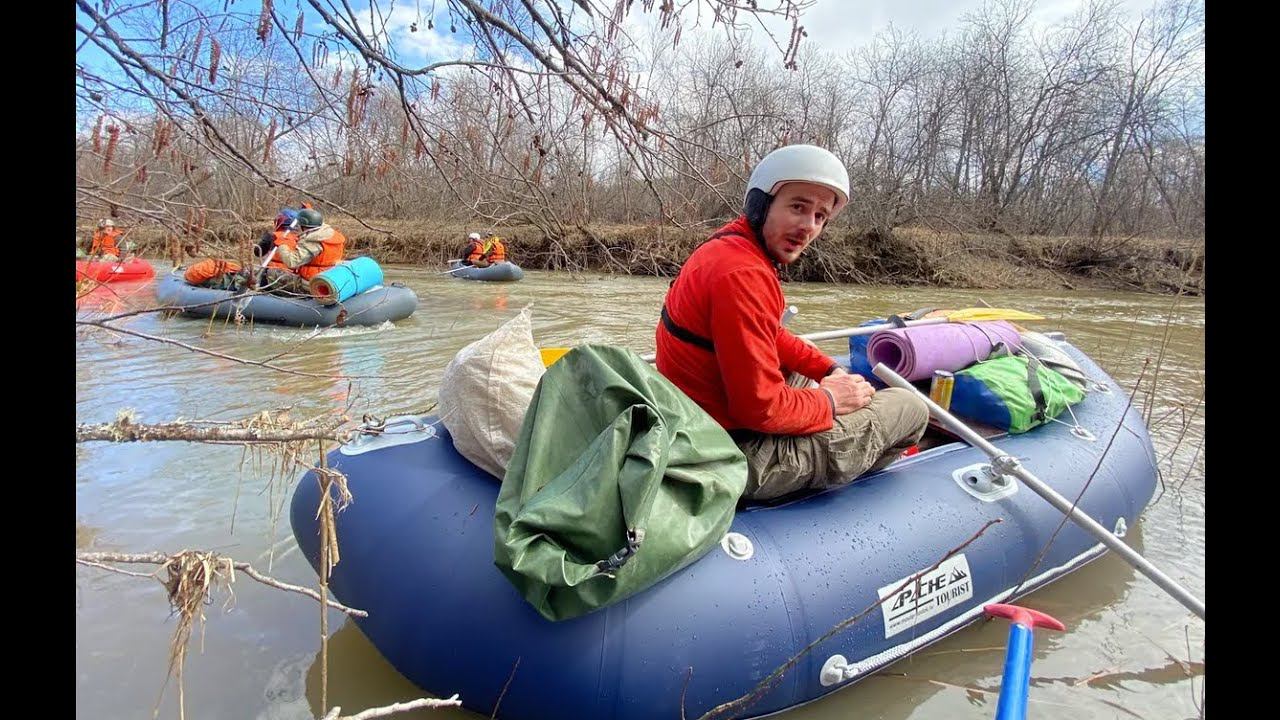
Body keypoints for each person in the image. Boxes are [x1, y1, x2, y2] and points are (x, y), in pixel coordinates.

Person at [654, 144, 929, 501]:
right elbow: (760, 410)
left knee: (810, 357)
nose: (808, 227)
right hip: (733, 457)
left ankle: (836, 432)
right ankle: (836, 474)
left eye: (820, 216)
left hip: (698, 423)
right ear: (761, 204)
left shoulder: (728, 247)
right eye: (798, 207)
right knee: (911, 409)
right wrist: (830, 401)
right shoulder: (743, 274)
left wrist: (829, 369)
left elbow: (772, 335)